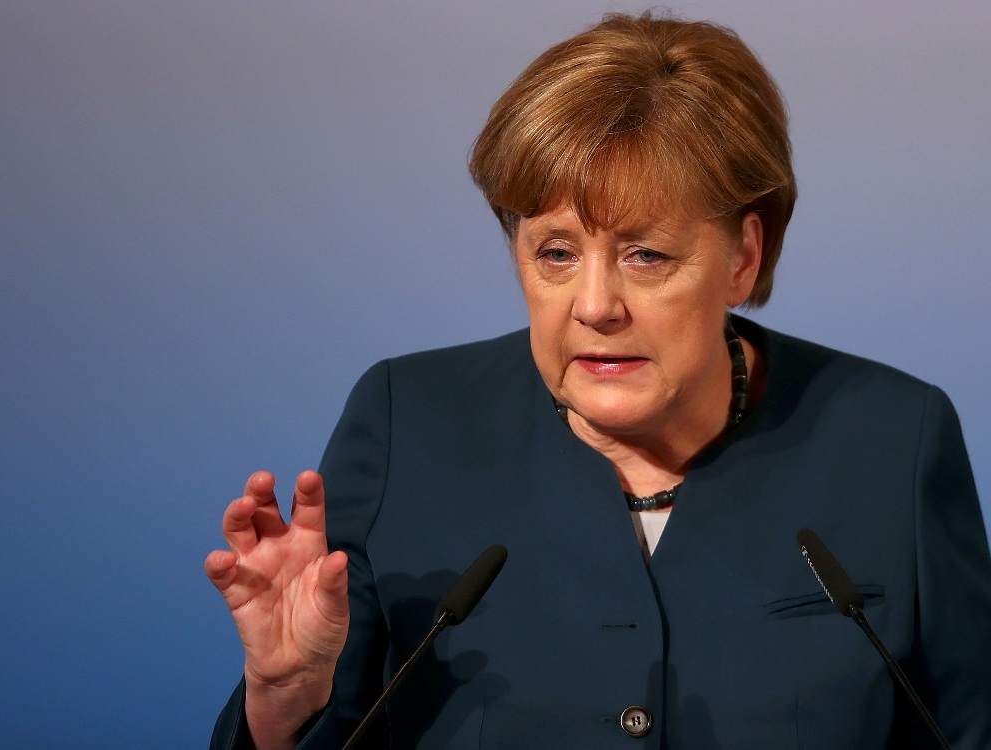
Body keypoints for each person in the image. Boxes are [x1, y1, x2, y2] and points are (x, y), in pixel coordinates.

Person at [205, 11, 991, 749]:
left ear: (743, 257)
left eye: (645, 254)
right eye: (555, 253)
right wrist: (285, 691)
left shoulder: (893, 439)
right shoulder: (405, 424)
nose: (594, 306)